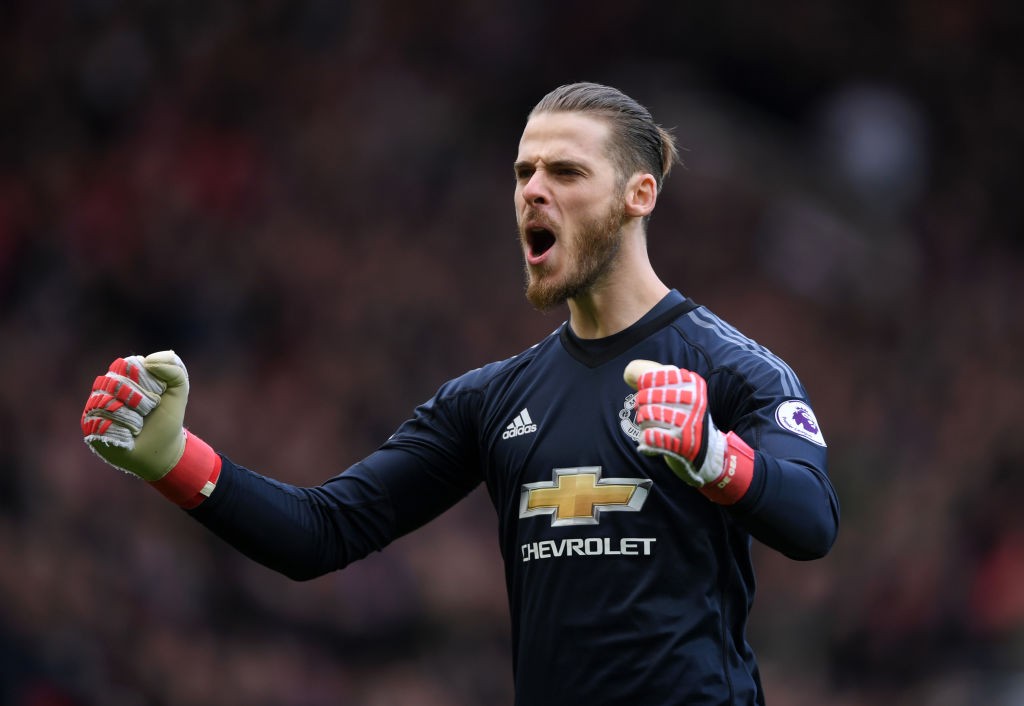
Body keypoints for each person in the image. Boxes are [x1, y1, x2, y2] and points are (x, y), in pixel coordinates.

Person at [81, 82, 839, 705]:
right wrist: (171, 458)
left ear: (639, 194)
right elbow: (320, 534)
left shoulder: (733, 370)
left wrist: (713, 455)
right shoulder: (491, 398)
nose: (533, 192)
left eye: (566, 173)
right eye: (523, 173)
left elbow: (812, 520)